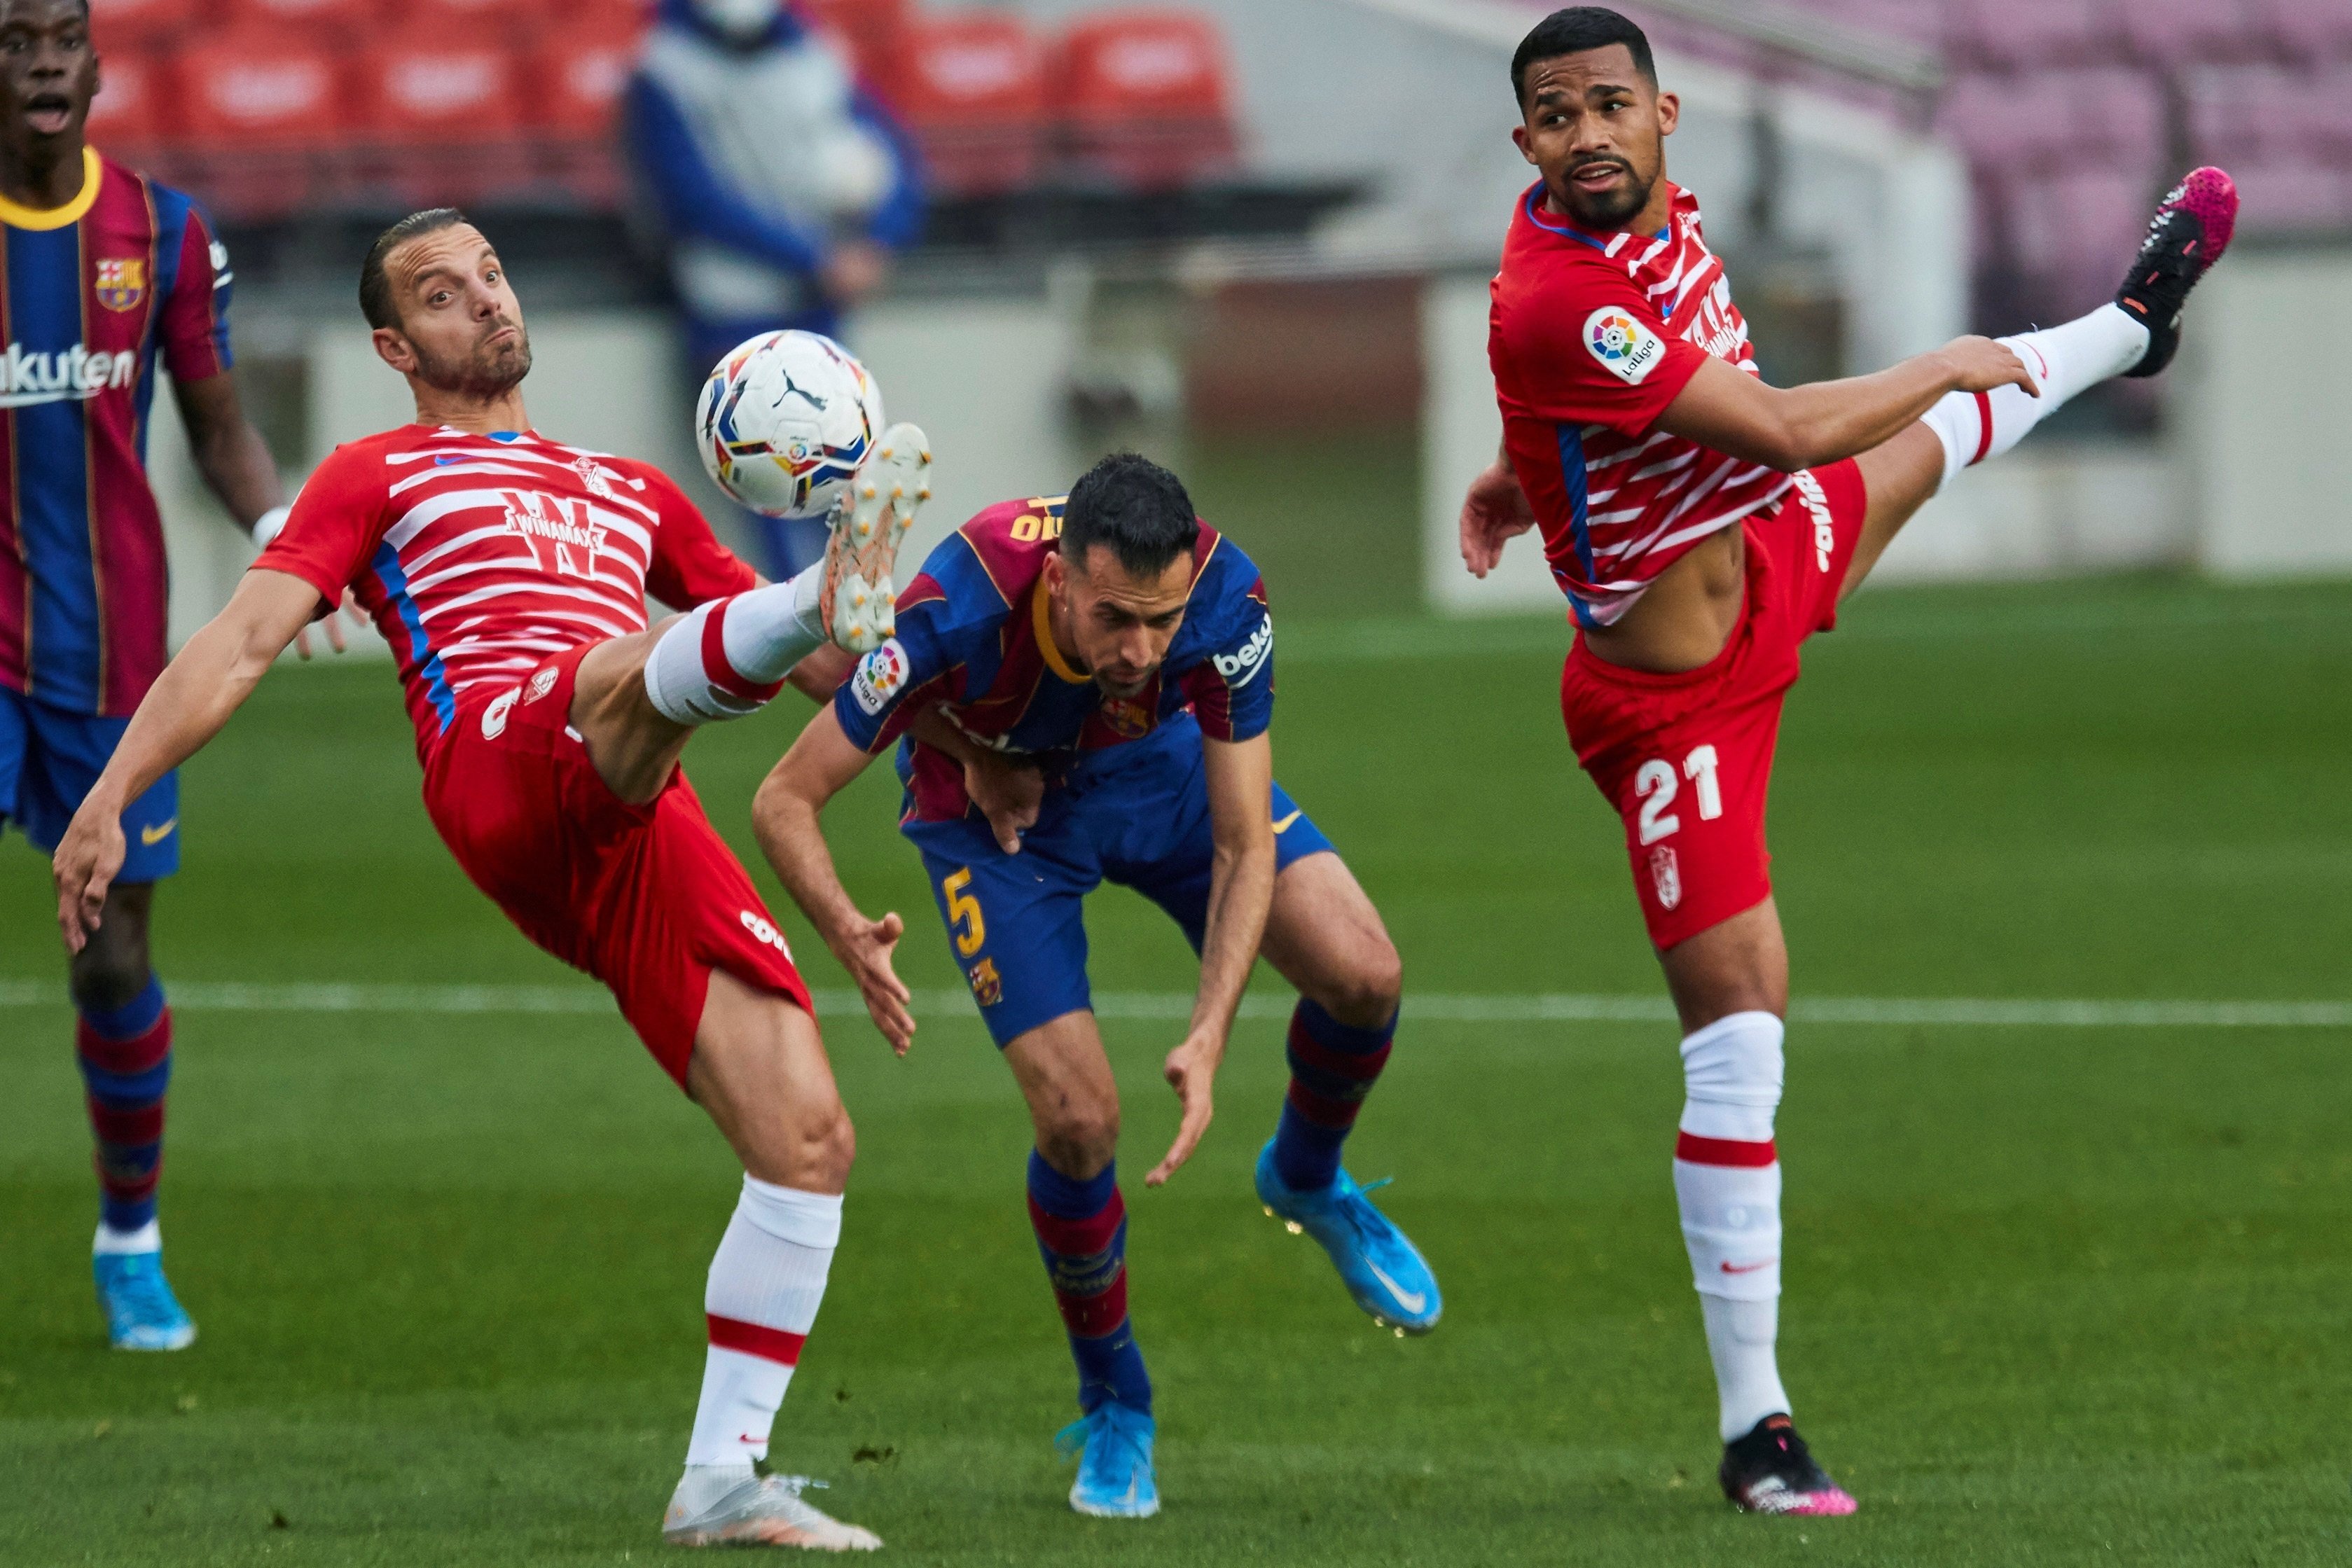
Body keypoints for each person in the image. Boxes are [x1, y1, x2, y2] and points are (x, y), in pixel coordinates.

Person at [51, 207, 931, 1552]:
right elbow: (236, 645)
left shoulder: (628, 485)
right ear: (395, 342)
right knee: (617, 677)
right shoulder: (376, 473)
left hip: (636, 802)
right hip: (503, 754)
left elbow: (828, 680)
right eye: (444, 294)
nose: (487, 301)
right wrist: (110, 793)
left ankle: (721, 1477)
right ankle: (819, 579)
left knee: (808, 1134)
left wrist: (957, 726)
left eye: (494, 276)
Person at [1460, 6, 2236, 1518]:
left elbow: (1610, 401)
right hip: (1667, 704)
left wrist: (1520, 463)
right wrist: (1954, 356)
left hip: (1752, 569)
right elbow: (1764, 424)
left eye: (1608, 105)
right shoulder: (1552, 291)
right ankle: (1756, 1431)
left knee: (1932, 451)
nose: (1586, 135)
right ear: (1525, 144)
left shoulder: (1640, 218)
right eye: (1555, 117)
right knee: (1741, 1025)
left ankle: (2125, 332)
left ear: (1664, 114)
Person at [752, 455, 1441, 1521]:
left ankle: (1305, 1176)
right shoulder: (958, 602)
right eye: (1114, 617)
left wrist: (1209, 1033)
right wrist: (848, 925)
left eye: (1158, 623)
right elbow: (784, 797)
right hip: (997, 824)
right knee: (1079, 1122)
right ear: (1061, 575)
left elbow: (1240, 841)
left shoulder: (1222, 597)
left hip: (1155, 773)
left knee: (1363, 970)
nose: (1139, 649)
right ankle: (1115, 1400)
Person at [0, 0, 350, 1353]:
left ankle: (130, 1239)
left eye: (59, 37)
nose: (39, 60)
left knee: (114, 952)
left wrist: (284, 538)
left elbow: (219, 427)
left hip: (110, 653)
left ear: (94, 67)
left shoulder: (162, 234)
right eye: (13, 36)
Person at [626, 0, 924, 578]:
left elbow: (898, 156)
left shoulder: (815, 52)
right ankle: (800, 642)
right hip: (729, 312)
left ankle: (848, 624)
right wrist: (817, 259)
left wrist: (878, 240)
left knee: (842, 482)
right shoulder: (662, 67)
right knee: (768, 483)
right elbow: (690, 200)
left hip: (818, 310)